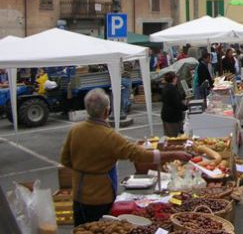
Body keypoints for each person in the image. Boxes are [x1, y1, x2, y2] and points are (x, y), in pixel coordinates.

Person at [61, 88, 190, 226]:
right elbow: (139, 155)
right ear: (106, 111)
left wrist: (84, 167)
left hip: (78, 195)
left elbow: (65, 160)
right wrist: (174, 154)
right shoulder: (109, 136)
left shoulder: (75, 130)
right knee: (99, 228)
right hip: (99, 196)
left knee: (80, 228)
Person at [161, 72, 188, 137]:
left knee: (169, 135)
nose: (177, 79)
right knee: (173, 137)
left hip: (167, 115)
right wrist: (186, 107)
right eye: (176, 77)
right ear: (173, 79)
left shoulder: (167, 87)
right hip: (172, 117)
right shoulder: (171, 89)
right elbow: (177, 103)